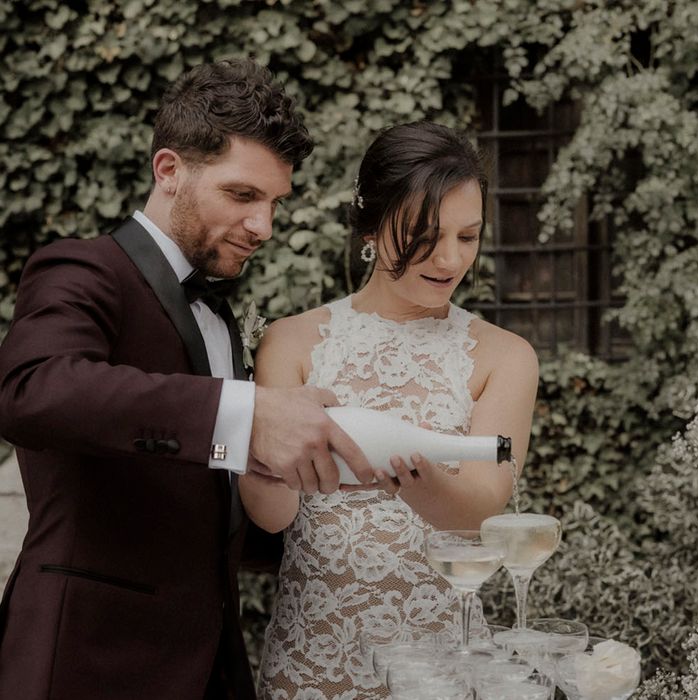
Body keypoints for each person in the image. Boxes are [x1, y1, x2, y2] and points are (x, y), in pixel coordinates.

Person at [0, 58, 373, 700]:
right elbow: (31, 390)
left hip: (210, 668)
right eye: (243, 195)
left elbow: (197, 514)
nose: (265, 227)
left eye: (275, 203)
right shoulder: (82, 270)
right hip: (86, 665)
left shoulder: (222, 320)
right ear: (169, 170)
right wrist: (247, 413)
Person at [239, 121, 540, 698]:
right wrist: (270, 448)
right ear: (373, 226)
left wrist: (402, 469)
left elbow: (478, 517)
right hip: (316, 657)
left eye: (468, 236)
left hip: (442, 663)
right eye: (424, 235)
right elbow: (271, 515)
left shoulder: (506, 357)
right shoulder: (292, 342)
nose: (449, 258)